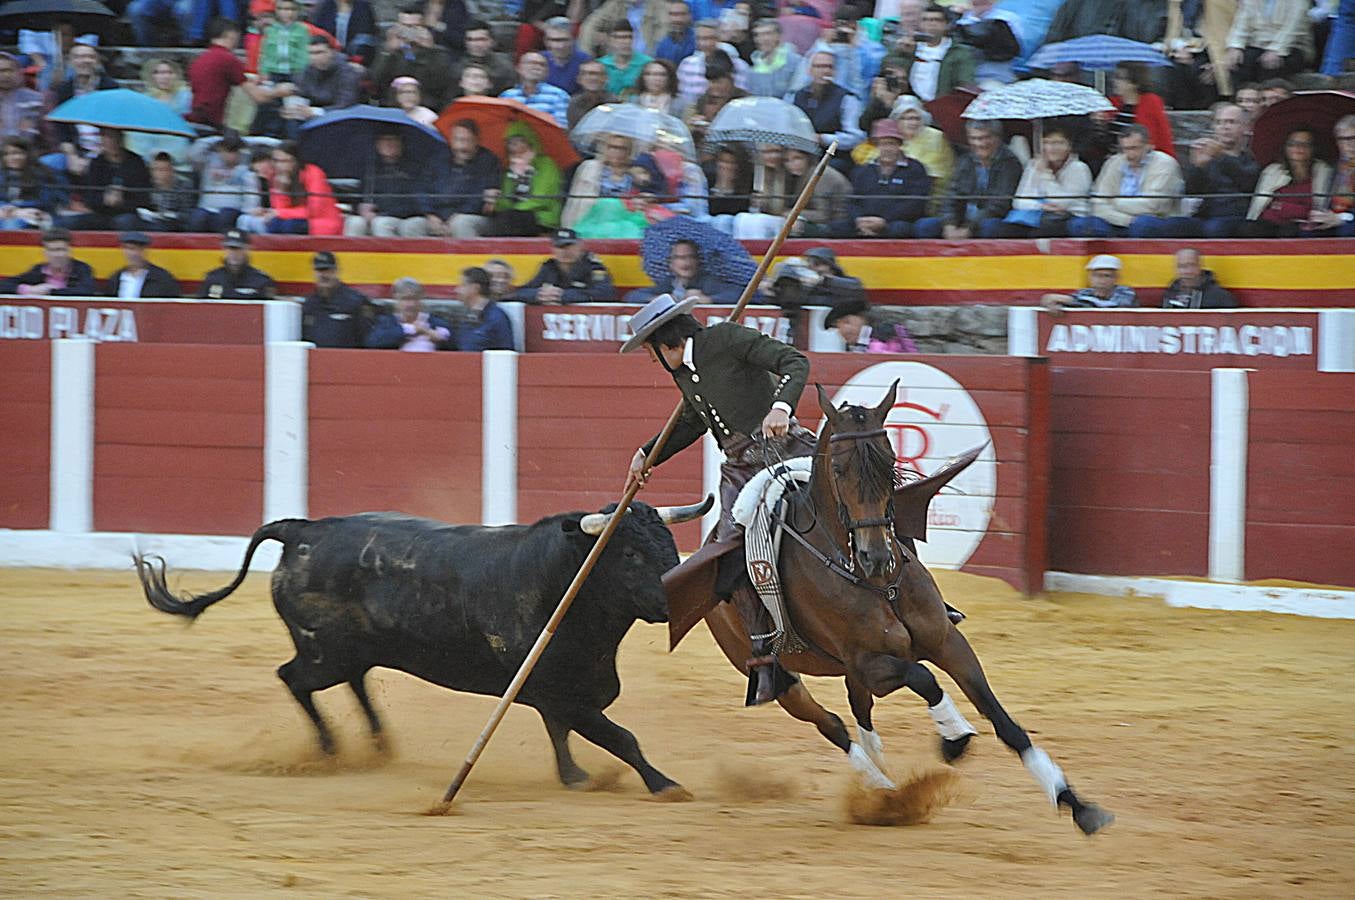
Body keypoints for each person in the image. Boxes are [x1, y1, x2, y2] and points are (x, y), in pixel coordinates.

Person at [618, 293, 815, 705]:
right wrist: (647, 452)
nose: (651, 360)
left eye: (649, 351)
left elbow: (795, 362)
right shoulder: (683, 371)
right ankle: (765, 658)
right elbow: (692, 419)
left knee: (859, 497)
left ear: (664, 341)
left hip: (786, 448)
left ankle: (918, 596)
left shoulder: (726, 339)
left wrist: (781, 406)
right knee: (728, 555)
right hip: (741, 468)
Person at [1151, 102, 1259, 239]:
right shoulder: (1208, 157)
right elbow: (1191, 192)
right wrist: (1198, 167)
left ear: (1245, 127)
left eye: (1231, 122)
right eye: (1219, 123)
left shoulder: (1252, 158)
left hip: (1235, 219)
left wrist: (1221, 156)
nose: (1224, 127)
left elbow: (1247, 182)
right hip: (1204, 217)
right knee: (1165, 226)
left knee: (1215, 229)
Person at [1068, 125, 1184, 238]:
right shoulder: (1114, 162)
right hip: (1116, 221)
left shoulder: (1165, 164)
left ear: (1149, 145)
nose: (1129, 155)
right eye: (1125, 149)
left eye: (1134, 148)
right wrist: (1126, 220)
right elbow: (1098, 203)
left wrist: (1114, 202)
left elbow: (1154, 206)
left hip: (1154, 221)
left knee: (1144, 225)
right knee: (1080, 225)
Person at [914, 118, 1022, 239]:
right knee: (924, 226)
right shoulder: (965, 160)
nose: (979, 143)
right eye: (974, 138)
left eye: (984, 138)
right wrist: (949, 224)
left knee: (989, 227)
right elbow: (951, 195)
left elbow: (999, 205)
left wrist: (969, 228)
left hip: (992, 220)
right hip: (962, 218)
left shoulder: (1010, 163)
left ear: (997, 138)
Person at [837, 118, 929, 237]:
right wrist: (859, 220)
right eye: (883, 144)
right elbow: (853, 201)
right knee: (837, 227)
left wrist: (884, 220)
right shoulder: (863, 170)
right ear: (876, 145)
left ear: (900, 145)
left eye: (892, 143)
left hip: (896, 222)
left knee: (900, 229)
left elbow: (915, 203)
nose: (887, 149)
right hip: (864, 220)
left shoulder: (915, 169)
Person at [995, 126, 1091, 238]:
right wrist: (1041, 206)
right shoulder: (1034, 164)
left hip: (1071, 217)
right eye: (1046, 142)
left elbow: (1062, 203)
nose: (1051, 148)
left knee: (1046, 229)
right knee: (1000, 229)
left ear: (1069, 146)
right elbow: (1019, 201)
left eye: (1058, 143)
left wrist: (1045, 174)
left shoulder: (1079, 168)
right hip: (1039, 215)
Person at [1239, 125, 1334, 237]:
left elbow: (1314, 211)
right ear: (1285, 147)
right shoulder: (1273, 171)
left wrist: (1282, 207)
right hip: (1269, 225)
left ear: (1313, 148)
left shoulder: (1323, 171)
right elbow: (1262, 208)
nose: (1298, 148)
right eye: (1293, 144)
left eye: (1305, 144)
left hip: (1304, 227)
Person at [344, 130, 440, 238]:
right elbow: (358, 197)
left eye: (393, 139)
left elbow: (414, 200)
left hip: (401, 216)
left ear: (401, 144)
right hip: (374, 216)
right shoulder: (369, 168)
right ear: (377, 144)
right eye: (385, 140)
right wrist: (360, 208)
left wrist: (379, 212)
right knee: (354, 222)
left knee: (381, 224)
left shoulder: (414, 169)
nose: (389, 143)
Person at [237, 140, 343, 235]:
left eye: (283, 161)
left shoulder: (313, 173)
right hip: (290, 220)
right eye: (275, 161)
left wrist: (280, 213)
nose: (278, 165)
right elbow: (279, 209)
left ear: (295, 161)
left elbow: (314, 211)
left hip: (319, 222)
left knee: (287, 225)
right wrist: (282, 190)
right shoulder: (276, 176)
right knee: (259, 222)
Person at [59, 129, 151, 232]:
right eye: (106, 138)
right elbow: (89, 198)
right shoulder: (97, 163)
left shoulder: (136, 163)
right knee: (68, 222)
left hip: (128, 214)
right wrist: (104, 199)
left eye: (114, 137)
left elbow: (144, 198)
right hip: (101, 214)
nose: (111, 142)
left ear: (121, 139)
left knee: (125, 222)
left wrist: (122, 201)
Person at [488, 123, 563, 236]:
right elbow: (506, 199)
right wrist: (496, 202)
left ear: (529, 142)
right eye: (510, 142)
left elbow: (541, 199)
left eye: (518, 141)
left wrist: (516, 210)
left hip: (541, 215)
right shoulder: (509, 167)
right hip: (512, 217)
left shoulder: (546, 164)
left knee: (511, 219)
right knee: (503, 219)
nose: (513, 146)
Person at [893, 3, 977, 102]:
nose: (930, 23)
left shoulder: (959, 52)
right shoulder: (908, 45)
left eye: (936, 20)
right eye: (925, 20)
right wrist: (903, 54)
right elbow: (891, 71)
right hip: (910, 101)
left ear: (946, 25)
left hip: (943, 104)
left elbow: (965, 82)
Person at [370, 16, 457, 110]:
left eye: (414, 27)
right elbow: (376, 81)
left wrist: (430, 50)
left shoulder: (438, 53)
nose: (408, 31)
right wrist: (388, 52)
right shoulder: (387, 50)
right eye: (405, 26)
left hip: (426, 106)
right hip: (392, 105)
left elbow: (439, 84)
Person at [790, 51, 865, 157]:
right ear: (809, 70)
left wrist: (823, 139)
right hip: (802, 154)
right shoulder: (797, 96)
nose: (825, 71)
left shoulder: (847, 98)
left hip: (833, 157)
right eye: (819, 67)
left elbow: (855, 137)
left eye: (830, 67)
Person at [514, 228, 617, 304]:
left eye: (569, 246)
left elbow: (605, 294)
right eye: (560, 247)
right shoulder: (549, 267)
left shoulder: (594, 267)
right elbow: (521, 292)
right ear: (553, 249)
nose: (564, 251)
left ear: (580, 246)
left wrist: (563, 295)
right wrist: (539, 294)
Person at [625, 238, 742, 303]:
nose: (687, 262)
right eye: (680, 258)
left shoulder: (708, 281)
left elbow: (737, 294)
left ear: (698, 260)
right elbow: (632, 296)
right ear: (671, 263)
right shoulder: (669, 282)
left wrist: (708, 299)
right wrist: (658, 299)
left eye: (691, 257)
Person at [302, 250, 378, 347]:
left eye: (328, 270)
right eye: (319, 270)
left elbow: (367, 339)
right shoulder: (309, 304)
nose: (324, 275)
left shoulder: (355, 302)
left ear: (337, 271)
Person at [1226, 0, 1313, 84]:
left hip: (1291, 46)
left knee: (1270, 65)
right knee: (1238, 61)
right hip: (1258, 44)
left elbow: (1294, 27)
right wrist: (1235, 47)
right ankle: (1243, 97)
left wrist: (1276, 50)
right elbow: (1241, 24)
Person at [188, 132, 260, 234]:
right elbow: (193, 153)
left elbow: (272, 143)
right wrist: (219, 139)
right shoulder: (209, 161)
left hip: (232, 210)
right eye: (226, 150)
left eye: (234, 150)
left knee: (224, 217)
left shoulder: (246, 164)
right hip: (206, 208)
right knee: (197, 219)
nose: (230, 155)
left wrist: (244, 141)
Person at [126, 59, 193, 168]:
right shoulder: (144, 100)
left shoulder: (186, 97)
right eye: (159, 73)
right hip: (150, 151)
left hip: (180, 151)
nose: (165, 77)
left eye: (169, 72)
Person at [444, 118, 503, 239]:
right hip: (440, 216)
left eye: (466, 140)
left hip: (475, 216)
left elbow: (480, 199)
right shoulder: (439, 158)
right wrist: (431, 215)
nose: (462, 146)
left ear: (477, 141)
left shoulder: (489, 161)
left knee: (461, 223)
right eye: (457, 140)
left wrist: (453, 217)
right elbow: (424, 188)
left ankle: (465, 258)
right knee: (412, 226)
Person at [287, 35, 363, 128]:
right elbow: (303, 93)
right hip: (313, 116)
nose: (314, 57)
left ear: (332, 52)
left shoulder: (348, 73)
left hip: (341, 120)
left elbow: (346, 104)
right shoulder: (307, 71)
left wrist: (316, 111)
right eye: (310, 53)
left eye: (319, 52)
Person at [188, 19, 249, 130]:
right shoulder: (228, 59)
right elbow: (258, 96)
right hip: (213, 120)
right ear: (231, 35)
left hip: (196, 114)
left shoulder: (199, 60)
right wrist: (279, 92)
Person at [0, 227, 96, 296]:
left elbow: (86, 291)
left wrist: (50, 292)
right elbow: (4, 285)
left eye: (61, 250)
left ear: (69, 250)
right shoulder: (38, 270)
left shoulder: (82, 268)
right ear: (45, 252)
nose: (57, 255)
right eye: (52, 250)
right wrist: (30, 290)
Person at [676, 21, 749, 111]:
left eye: (709, 38)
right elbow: (682, 96)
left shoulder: (740, 66)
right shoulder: (686, 65)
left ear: (719, 39)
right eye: (699, 39)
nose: (704, 43)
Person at [366, 277, 453, 351]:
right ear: (396, 300)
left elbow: (449, 339)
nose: (411, 304)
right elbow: (373, 342)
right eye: (405, 299)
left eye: (415, 299)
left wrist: (432, 334)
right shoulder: (386, 322)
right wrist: (411, 329)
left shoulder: (434, 322)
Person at [1109, 63, 1175, 159]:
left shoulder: (1150, 102)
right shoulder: (1112, 104)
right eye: (1114, 77)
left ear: (1135, 83)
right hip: (1114, 160)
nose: (1114, 81)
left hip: (1144, 159)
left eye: (1120, 78)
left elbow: (1158, 137)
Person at [0, 137, 64, 232]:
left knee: (12, 225)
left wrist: (21, 209)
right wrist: (12, 210)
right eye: (6, 154)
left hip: (38, 213)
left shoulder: (43, 173)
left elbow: (51, 200)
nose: (11, 158)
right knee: (10, 223)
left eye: (16, 153)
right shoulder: (2, 175)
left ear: (27, 154)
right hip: (7, 213)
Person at [1306, 114, 1355, 237]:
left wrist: (1342, 218)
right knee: (1308, 233)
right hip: (1331, 216)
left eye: (1353, 138)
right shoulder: (1332, 167)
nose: (1350, 145)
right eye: (1343, 139)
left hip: (1350, 220)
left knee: (1346, 231)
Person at [954, 0, 1023, 86]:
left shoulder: (1008, 18)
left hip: (995, 76)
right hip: (960, 76)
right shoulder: (958, 19)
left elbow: (1016, 50)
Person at [125, 152, 196, 233]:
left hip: (171, 223)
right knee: (126, 220)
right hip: (148, 220)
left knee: (160, 226)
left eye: (161, 170)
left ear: (171, 171)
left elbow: (187, 213)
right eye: (154, 169)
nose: (157, 174)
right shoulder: (146, 183)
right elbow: (138, 204)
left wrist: (169, 215)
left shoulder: (183, 185)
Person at [198, 229, 278, 300]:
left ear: (247, 249)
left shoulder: (261, 280)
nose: (233, 253)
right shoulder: (212, 278)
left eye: (238, 249)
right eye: (230, 248)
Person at [451, 266, 515, 351]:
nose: (457, 290)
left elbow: (505, 353)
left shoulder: (497, 317)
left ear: (475, 288)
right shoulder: (464, 317)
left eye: (463, 285)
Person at [501, 52, 572, 127]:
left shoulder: (559, 95)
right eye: (531, 63)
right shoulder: (507, 96)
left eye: (542, 65)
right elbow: (500, 123)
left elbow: (561, 126)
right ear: (518, 68)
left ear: (546, 72)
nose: (536, 67)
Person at [1040, 255, 1137, 311]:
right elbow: (1069, 303)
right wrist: (1052, 303)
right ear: (1089, 277)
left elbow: (1111, 307)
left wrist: (1069, 300)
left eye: (1107, 276)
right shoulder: (1084, 293)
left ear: (1116, 278)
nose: (1101, 280)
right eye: (1097, 275)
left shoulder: (1126, 292)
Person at [825, 296, 918, 353]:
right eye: (838, 327)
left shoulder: (889, 336)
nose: (843, 330)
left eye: (847, 322)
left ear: (863, 318)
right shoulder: (855, 347)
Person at [104, 232, 182, 299]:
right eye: (129, 249)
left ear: (145, 250)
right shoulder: (116, 278)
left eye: (138, 249)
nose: (133, 254)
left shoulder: (162, 278)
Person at [580, 0, 668, 59]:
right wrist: (587, 56)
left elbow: (664, 33)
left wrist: (652, 55)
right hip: (615, 58)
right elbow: (590, 25)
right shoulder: (615, 4)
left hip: (648, 59)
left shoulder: (659, 6)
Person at [452, 20, 516, 96]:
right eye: (470, 40)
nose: (476, 44)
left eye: (481, 39)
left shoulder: (505, 65)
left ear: (492, 41)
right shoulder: (457, 68)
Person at [1161, 248, 1238, 309]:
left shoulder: (1220, 297)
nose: (1187, 271)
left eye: (1191, 265)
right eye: (1181, 266)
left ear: (1200, 266)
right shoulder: (1169, 293)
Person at [746, 18, 801, 100]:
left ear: (779, 36)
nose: (762, 39)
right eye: (757, 35)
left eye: (767, 34)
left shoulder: (796, 62)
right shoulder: (753, 69)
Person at [310, 0, 378, 65]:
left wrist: (356, 60)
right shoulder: (324, 6)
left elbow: (366, 35)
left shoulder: (363, 6)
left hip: (355, 57)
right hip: (328, 56)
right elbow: (317, 33)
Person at [598, 20, 654, 95]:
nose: (626, 41)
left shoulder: (648, 64)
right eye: (620, 37)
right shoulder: (600, 65)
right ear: (609, 40)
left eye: (629, 37)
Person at [0, 52, 44, 146]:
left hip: (27, 151)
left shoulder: (36, 99)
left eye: (9, 70)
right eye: (1, 71)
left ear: (18, 72)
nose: (5, 75)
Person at [542, 17, 592, 95]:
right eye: (555, 40)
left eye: (565, 40)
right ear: (546, 41)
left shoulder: (585, 61)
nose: (561, 46)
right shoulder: (539, 60)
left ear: (573, 40)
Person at [568, 60, 617, 129]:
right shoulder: (573, 103)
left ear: (606, 78)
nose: (593, 78)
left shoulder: (614, 103)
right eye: (586, 74)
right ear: (579, 79)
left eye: (597, 74)